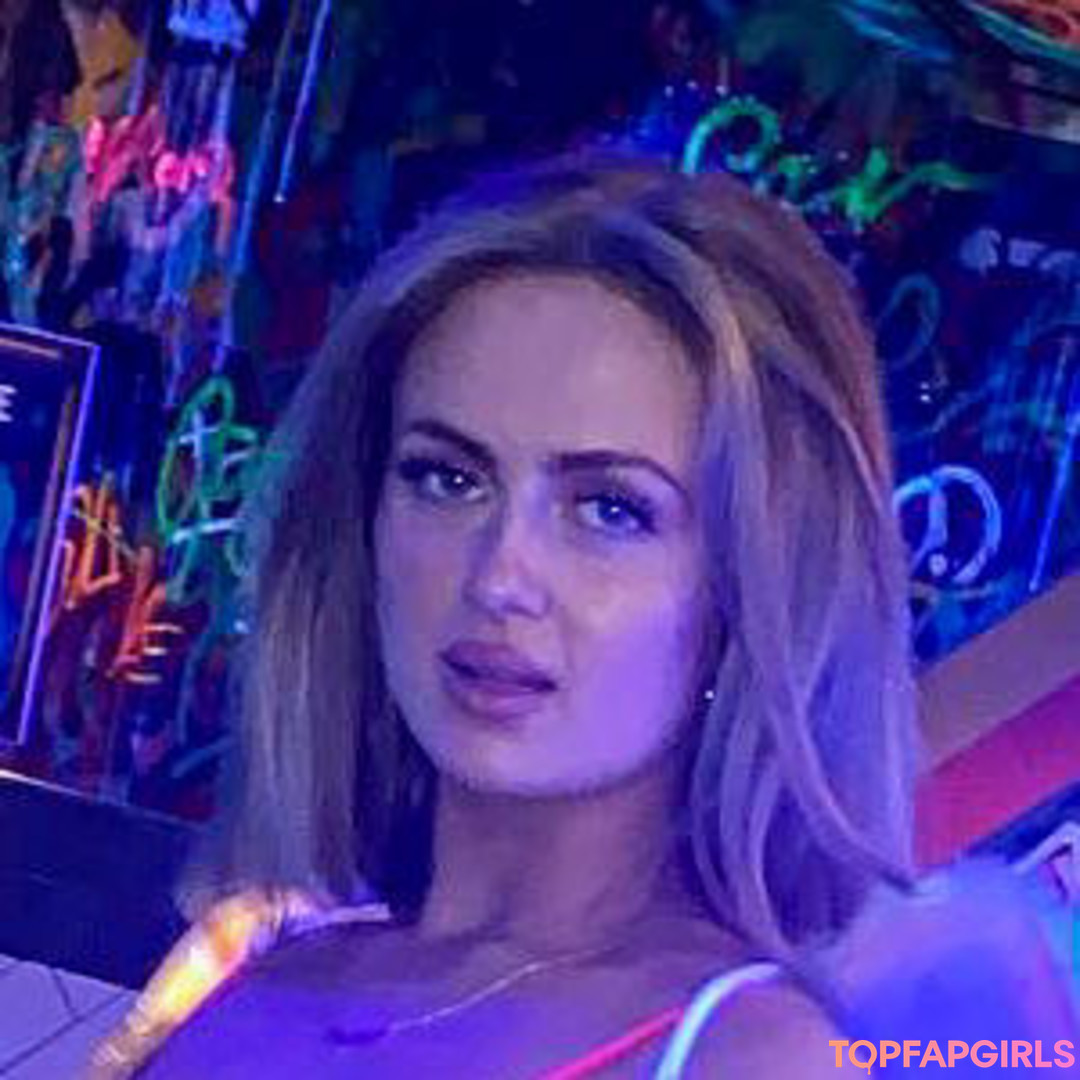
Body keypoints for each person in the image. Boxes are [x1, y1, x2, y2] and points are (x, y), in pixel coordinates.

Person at [89, 151, 1075, 1079]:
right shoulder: (255, 966)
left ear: (748, 586)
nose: (500, 576)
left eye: (610, 509)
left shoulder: (750, 1052)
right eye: (447, 478)